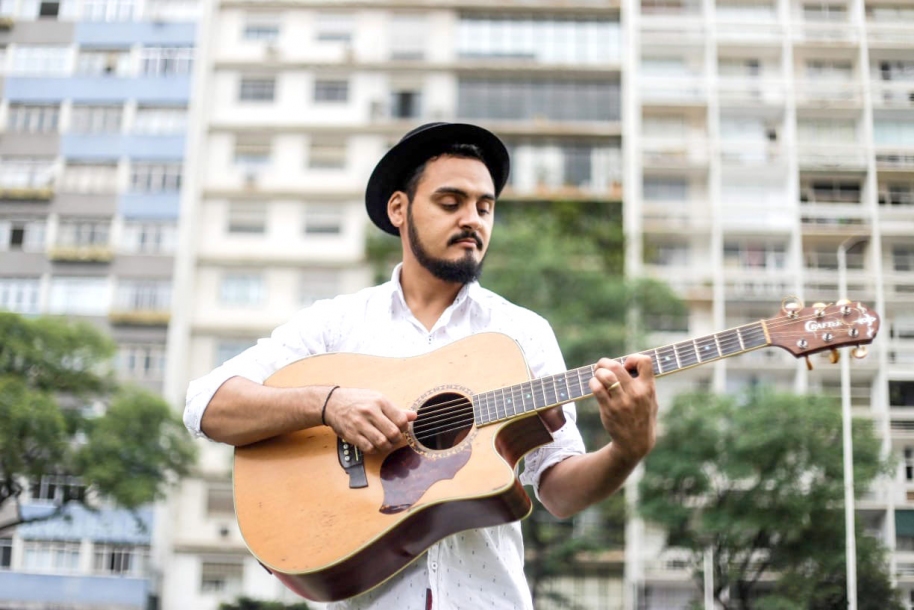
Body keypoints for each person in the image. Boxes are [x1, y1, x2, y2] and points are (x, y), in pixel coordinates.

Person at [184, 122, 659, 610]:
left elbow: (559, 493)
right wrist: (328, 404)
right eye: (450, 203)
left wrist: (628, 449)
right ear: (399, 209)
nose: (472, 220)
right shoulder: (335, 324)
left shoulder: (523, 334)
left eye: (485, 207)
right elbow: (205, 404)